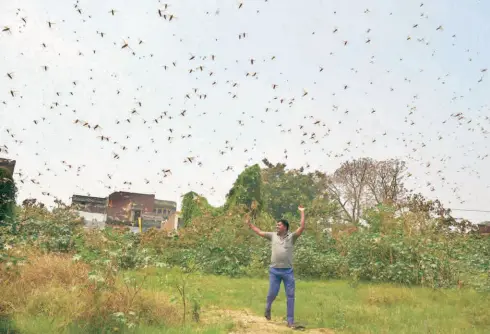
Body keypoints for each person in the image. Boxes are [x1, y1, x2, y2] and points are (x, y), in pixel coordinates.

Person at [245, 205, 306, 330]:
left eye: (279, 225)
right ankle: (267, 308)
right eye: (277, 225)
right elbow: (259, 232)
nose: (277, 226)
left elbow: (301, 227)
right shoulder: (272, 235)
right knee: (272, 294)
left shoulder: (291, 237)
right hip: (274, 271)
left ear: (285, 227)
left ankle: (290, 321)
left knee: (290, 296)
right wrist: (250, 225)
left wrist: (302, 213)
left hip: (288, 272)